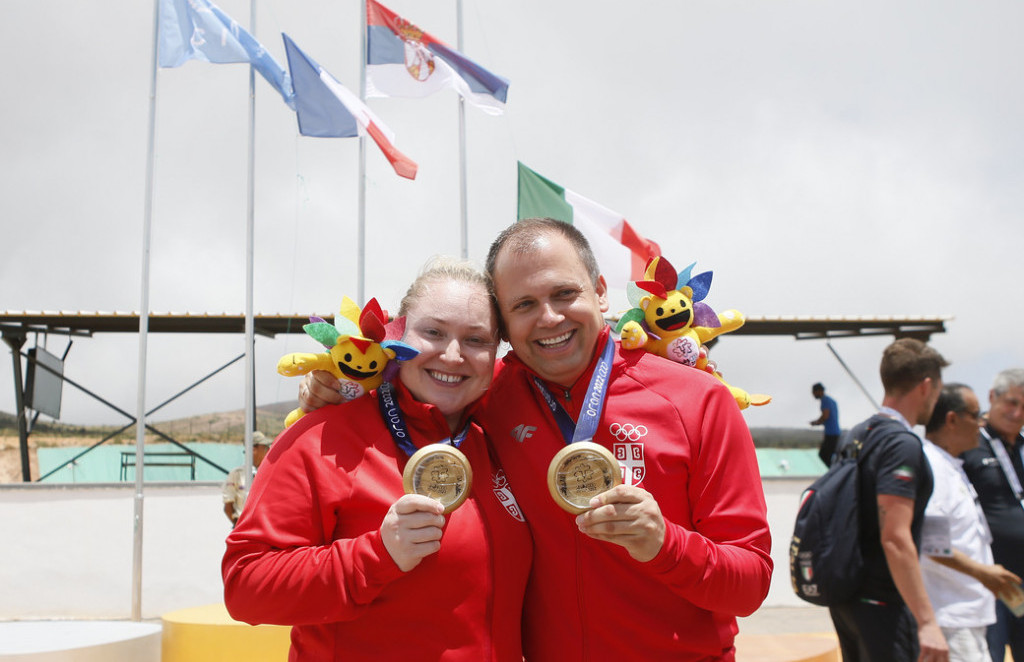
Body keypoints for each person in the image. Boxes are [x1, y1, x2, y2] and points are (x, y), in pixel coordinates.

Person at [302, 217, 773, 660]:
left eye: (564, 293)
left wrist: (666, 545)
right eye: (524, 305)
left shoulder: (697, 401)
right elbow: (421, 381)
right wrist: (339, 388)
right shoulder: (489, 395)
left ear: (601, 292)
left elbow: (750, 583)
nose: (549, 318)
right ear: (504, 326)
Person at [222, 258, 532, 661]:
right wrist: (377, 555)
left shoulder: (500, 435)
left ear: (496, 351)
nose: (453, 355)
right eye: (433, 333)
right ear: (396, 337)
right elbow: (246, 588)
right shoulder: (322, 436)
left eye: (476, 340)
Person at [828, 338, 949, 662]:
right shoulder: (901, 444)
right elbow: (895, 538)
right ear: (926, 386)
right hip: (883, 603)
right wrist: (926, 622)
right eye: (937, 391)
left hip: (848, 598)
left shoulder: (857, 433)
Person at [920, 383, 1021, 662]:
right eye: (976, 415)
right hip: (951, 615)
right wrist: (982, 572)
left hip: (967, 613)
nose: (981, 423)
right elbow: (931, 543)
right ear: (952, 419)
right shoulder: (935, 469)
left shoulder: (951, 466)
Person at [961, 368, 1024, 662]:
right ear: (992, 398)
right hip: (990, 584)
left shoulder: (1022, 447)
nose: (1017, 413)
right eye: (1011, 403)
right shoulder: (970, 445)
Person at [221, 430, 271, 526]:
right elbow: (228, 507)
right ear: (253, 449)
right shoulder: (237, 474)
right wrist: (239, 528)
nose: (268, 450)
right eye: (265, 447)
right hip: (244, 527)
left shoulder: (270, 472)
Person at [811, 382, 842, 466]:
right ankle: (835, 471)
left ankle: (834, 472)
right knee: (831, 455)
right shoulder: (831, 400)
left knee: (823, 455)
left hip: (831, 433)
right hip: (835, 432)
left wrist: (816, 423)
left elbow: (825, 416)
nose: (813, 394)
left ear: (819, 391)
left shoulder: (825, 400)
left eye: (814, 392)